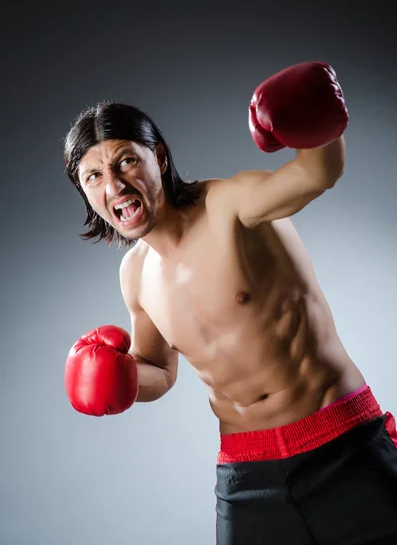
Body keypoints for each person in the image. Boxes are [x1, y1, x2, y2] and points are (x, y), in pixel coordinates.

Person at [64, 61, 397, 544]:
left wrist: (315, 121)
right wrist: (125, 378)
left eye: (126, 161)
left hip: (341, 444)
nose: (113, 185)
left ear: (158, 156)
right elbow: (159, 367)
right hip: (247, 475)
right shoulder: (135, 274)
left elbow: (316, 175)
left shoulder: (230, 206)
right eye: (93, 176)